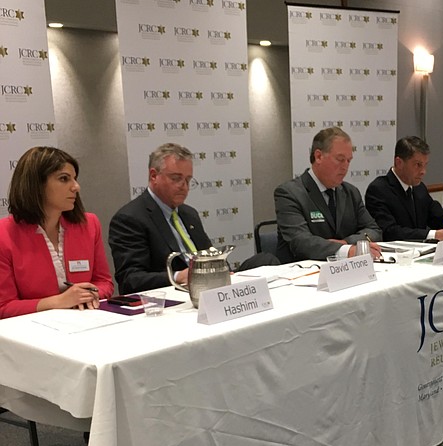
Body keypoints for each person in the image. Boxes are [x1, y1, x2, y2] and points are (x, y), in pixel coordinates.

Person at [109, 142, 276, 294]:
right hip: (173, 295)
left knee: (265, 260)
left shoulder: (189, 214)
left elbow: (209, 252)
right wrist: (177, 276)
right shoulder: (130, 218)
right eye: (176, 179)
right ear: (154, 176)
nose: (184, 186)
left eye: (188, 180)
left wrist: (221, 268)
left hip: (209, 286)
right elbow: (130, 280)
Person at [0, 146, 113, 319]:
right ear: (36, 185)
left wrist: (89, 293)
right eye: (64, 179)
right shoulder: (4, 235)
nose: (76, 187)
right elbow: (4, 307)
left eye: (74, 179)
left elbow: (104, 282)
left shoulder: (89, 224)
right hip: (30, 333)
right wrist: (59, 301)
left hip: (86, 322)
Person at [274, 127, 382, 262]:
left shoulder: (351, 192)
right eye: (340, 159)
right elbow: (301, 242)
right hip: (304, 274)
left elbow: (374, 230)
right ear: (318, 156)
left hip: (348, 271)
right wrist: (348, 250)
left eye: (349, 160)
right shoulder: (289, 193)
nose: (345, 167)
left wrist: (345, 242)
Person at [365, 136, 443, 241]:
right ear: (399, 163)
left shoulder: (419, 188)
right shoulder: (378, 189)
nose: (423, 171)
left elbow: (438, 216)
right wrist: (433, 234)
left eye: (425, 165)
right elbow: (390, 231)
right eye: (418, 165)